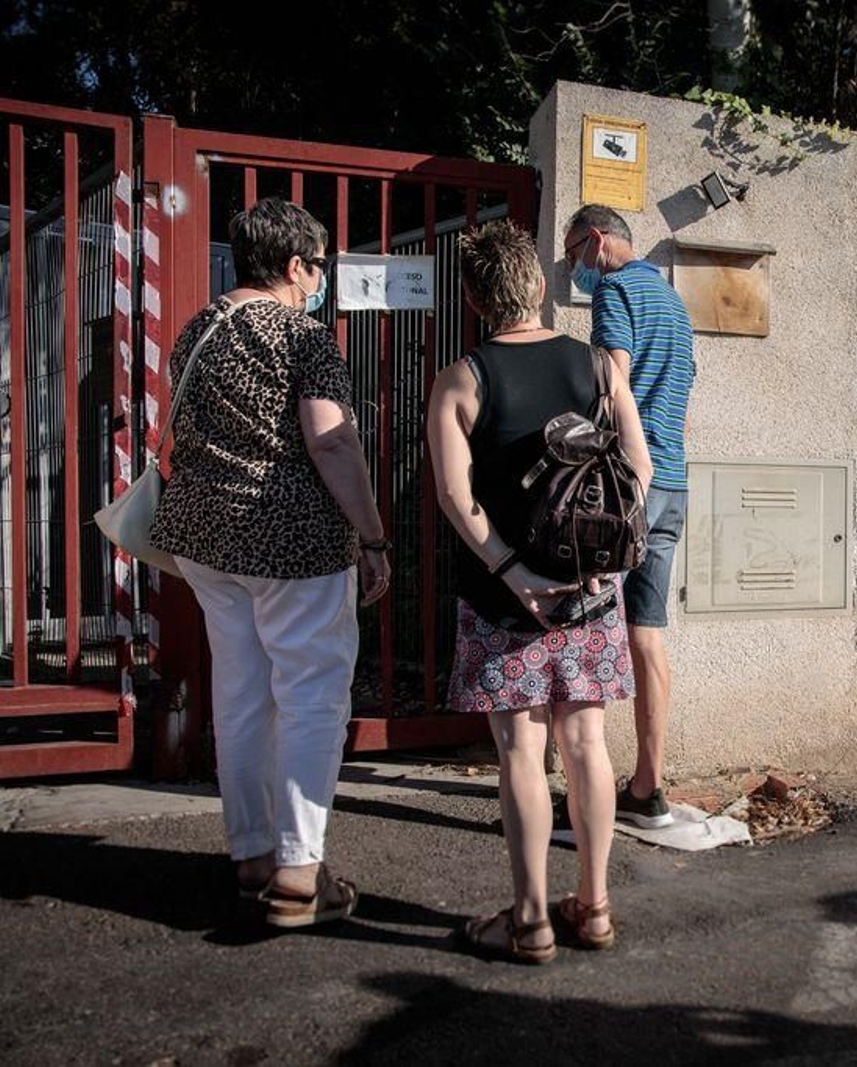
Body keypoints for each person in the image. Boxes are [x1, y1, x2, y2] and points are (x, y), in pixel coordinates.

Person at [150, 197, 389, 928]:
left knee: (243, 691)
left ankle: (252, 852)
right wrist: (373, 537)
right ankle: (297, 871)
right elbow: (331, 441)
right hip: (292, 540)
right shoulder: (303, 336)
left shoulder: (197, 330)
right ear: (294, 266)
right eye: (317, 266)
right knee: (313, 693)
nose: (319, 279)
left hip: (207, 539)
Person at [429, 219, 653, 962]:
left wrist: (512, 570)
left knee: (520, 751)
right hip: (590, 590)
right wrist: (598, 564)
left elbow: (457, 499)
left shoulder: (462, 379)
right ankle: (594, 906)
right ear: (537, 284)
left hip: (506, 600)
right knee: (588, 742)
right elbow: (639, 473)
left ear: (473, 296)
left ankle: (529, 921)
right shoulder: (597, 367)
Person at [562, 204, 695, 830]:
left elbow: (612, 383)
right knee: (647, 631)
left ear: (595, 240)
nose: (574, 270)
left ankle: (577, 793)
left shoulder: (615, 289)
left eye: (572, 255)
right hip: (671, 480)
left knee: (586, 625)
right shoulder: (673, 303)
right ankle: (648, 786)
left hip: (622, 486)